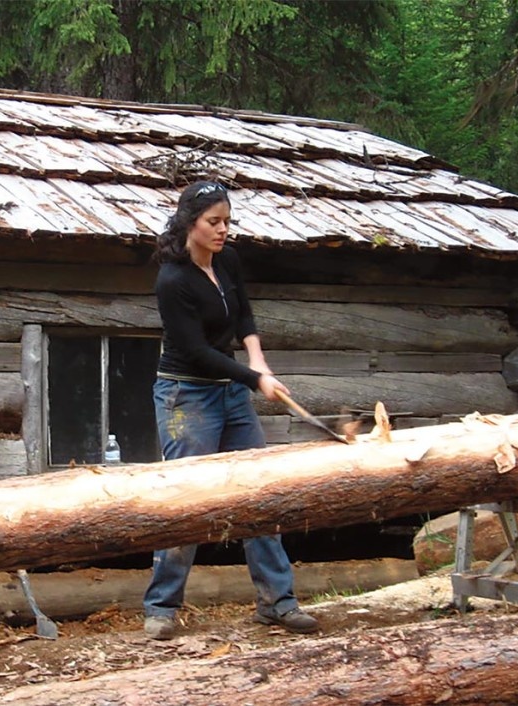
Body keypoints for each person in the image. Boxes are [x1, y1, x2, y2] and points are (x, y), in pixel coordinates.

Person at [142, 180, 319, 640]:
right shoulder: (173, 280)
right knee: (186, 499)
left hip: (230, 393)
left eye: (227, 222)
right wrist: (254, 380)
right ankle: (161, 607)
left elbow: (243, 316)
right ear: (190, 224)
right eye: (213, 222)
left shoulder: (228, 260)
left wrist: (258, 361)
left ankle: (277, 602)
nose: (223, 230)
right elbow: (196, 351)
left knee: (258, 491)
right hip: (186, 395)